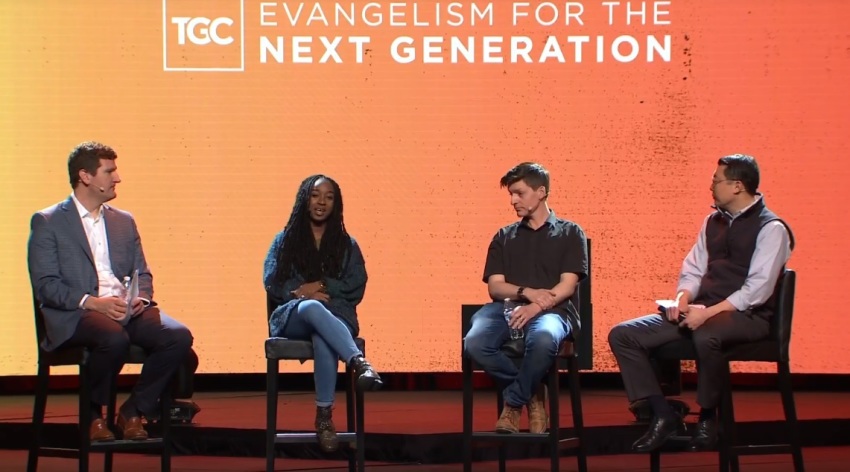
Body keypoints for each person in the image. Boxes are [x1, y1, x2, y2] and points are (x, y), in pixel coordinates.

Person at [608, 154, 794, 453]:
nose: (711, 186)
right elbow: (693, 270)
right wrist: (682, 300)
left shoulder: (772, 228)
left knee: (706, 334)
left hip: (748, 317)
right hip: (703, 311)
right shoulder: (713, 221)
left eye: (715, 180)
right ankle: (662, 413)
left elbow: (757, 290)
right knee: (625, 334)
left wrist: (708, 313)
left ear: (737, 186)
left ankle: (708, 416)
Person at [27, 141, 194, 442]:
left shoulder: (123, 221)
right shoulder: (48, 221)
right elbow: (46, 285)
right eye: (110, 171)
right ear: (86, 176)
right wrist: (94, 303)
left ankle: (133, 410)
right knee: (113, 337)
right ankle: (92, 415)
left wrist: (140, 298)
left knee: (177, 336)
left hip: (125, 309)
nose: (117, 178)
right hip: (78, 312)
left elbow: (142, 272)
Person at [463, 162, 588, 434]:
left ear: (541, 192)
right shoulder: (504, 236)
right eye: (511, 194)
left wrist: (536, 306)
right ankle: (531, 393)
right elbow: (496, 287)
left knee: (543, 338)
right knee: (475, 342)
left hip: (554, 311)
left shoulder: (570, 232)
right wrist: (526, 294)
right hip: (507, 310)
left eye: (519, 193)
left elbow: (567, 286)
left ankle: (513, 403)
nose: (513, 201)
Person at [263, 174, 382, 453]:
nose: (321, 202)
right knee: (312, 308)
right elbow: (272, 281)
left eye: (329, 197)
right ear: (305, 199)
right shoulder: (285, 241)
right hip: (292, 316)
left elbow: (356, 284)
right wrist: (301, 293)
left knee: (323, 335)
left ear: (336, 204)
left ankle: (324, 417)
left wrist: (323, 285)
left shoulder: (346, 244)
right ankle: (358, 362)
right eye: (316, 195)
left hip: (335, 316)